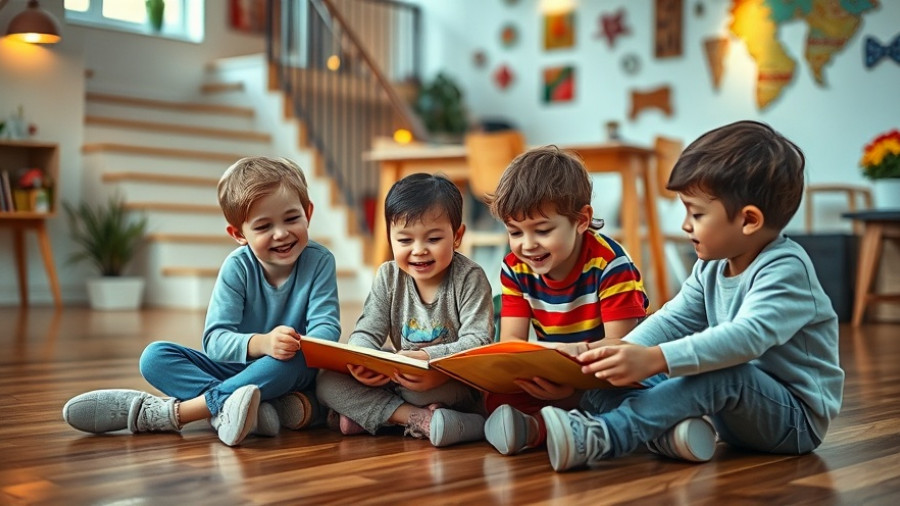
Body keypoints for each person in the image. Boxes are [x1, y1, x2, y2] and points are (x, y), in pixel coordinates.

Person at [540, 120, 845, 471]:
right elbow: (675, 318)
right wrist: (617, 356)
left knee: (722, 370)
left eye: (696, 213)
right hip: (729, 414)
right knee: (618, 375)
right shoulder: (712, 266)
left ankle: (605, 435)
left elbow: (747, 338)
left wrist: (656, 359)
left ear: (748, 220)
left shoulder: (786, 269)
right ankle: (665, 433)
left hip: (793, 423)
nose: (685, 224)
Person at [62, 156, 342, 447]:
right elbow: (216, 341)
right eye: (263, 227)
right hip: (235, 367)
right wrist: (262, 343)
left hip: (285, 368)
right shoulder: (237, 268)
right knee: (154, 356)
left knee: (298, 359)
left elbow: (326, 327)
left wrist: (292, 347)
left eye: (291, 218)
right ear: (238, 234)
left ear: (308, 213)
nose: (281, 233)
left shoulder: (319, 261)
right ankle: (242, 409)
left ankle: (176, 413)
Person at [480, 146, 650, 456]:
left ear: (582, 219)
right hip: (556, 376)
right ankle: (546, 424)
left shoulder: (611, 266)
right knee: (493, 396)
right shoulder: (515, 267)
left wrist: (574, 391)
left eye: (542, 230)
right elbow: (513, 342)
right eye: (514, 232)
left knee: (637, 396)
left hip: (607, 378)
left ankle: (539, 427)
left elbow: (620, 350)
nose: (527, 245)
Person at [316, 173, 494, 447]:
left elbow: (478, 342)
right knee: (326, 382)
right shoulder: (388, 276)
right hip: (400, 377)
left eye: (433, 239)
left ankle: (378, 415)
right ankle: (416, 419)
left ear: (457, 236)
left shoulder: (470, 277)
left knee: (419, 394)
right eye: (405, 241)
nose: (419, 250)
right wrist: (362, 360)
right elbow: (367, 330)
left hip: (451, 383)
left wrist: (429, 361)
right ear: (389, 238)